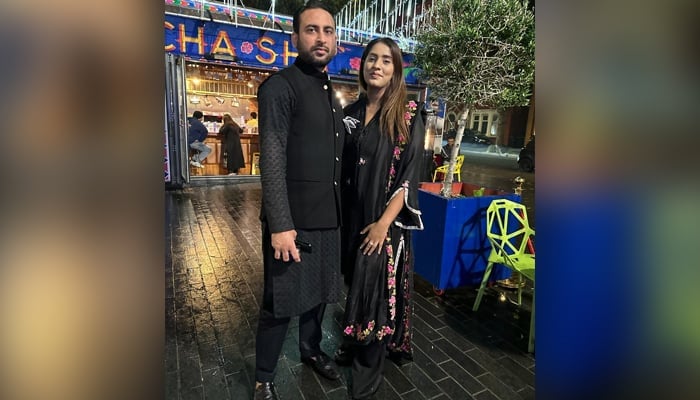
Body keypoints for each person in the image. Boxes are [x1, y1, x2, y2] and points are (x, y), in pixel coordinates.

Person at [253, 3, 345, 400]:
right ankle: (263, 377)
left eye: (327, 30)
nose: (321, 37)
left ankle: (310, 350)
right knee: (280, 302)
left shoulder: (330, 90)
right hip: (291, 221)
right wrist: (279, 225)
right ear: (295, 38)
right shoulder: (280, 86)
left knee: (320, 294)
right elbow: (271, 156)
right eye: (312, 30)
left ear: (336, 40)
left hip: (328, 215)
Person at [337, 37, 425, 400]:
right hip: (352, 218)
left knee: (375, 294)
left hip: (383, 222)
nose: (377, 65)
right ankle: (354, 342)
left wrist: (384, 223)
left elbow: (409, 175)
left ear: (396, 70)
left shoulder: (407, 113)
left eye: (386, 61)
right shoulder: (353, 112)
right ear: (362, 65)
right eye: (372, 59)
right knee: (354, 284)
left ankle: (367, 377)